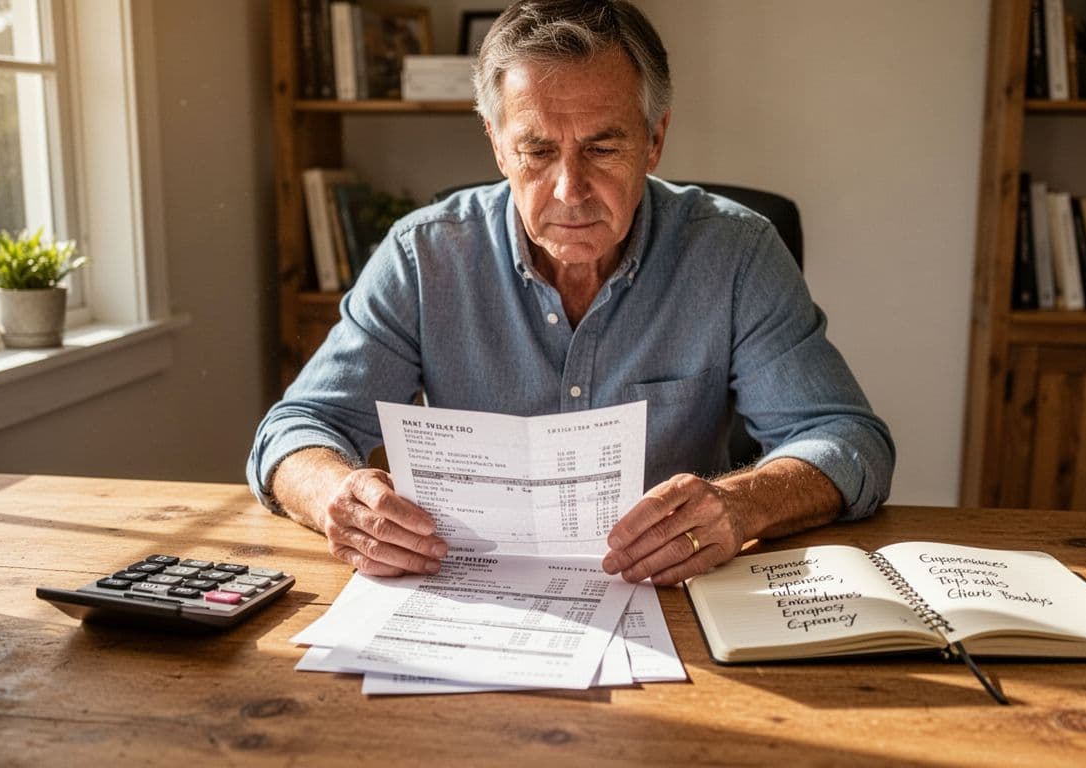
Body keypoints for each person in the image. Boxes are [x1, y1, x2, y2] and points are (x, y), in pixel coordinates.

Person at [248, 0, 894, 586]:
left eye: (602, 147)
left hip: (673, 604)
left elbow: (846, 438)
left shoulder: (735, 255)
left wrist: (739, 503)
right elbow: (295, 430)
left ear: (654, 140)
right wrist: (339, 495)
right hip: (475, 606)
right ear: (497, 145)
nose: (569, 191)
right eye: (536, 151)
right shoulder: (423, 258)